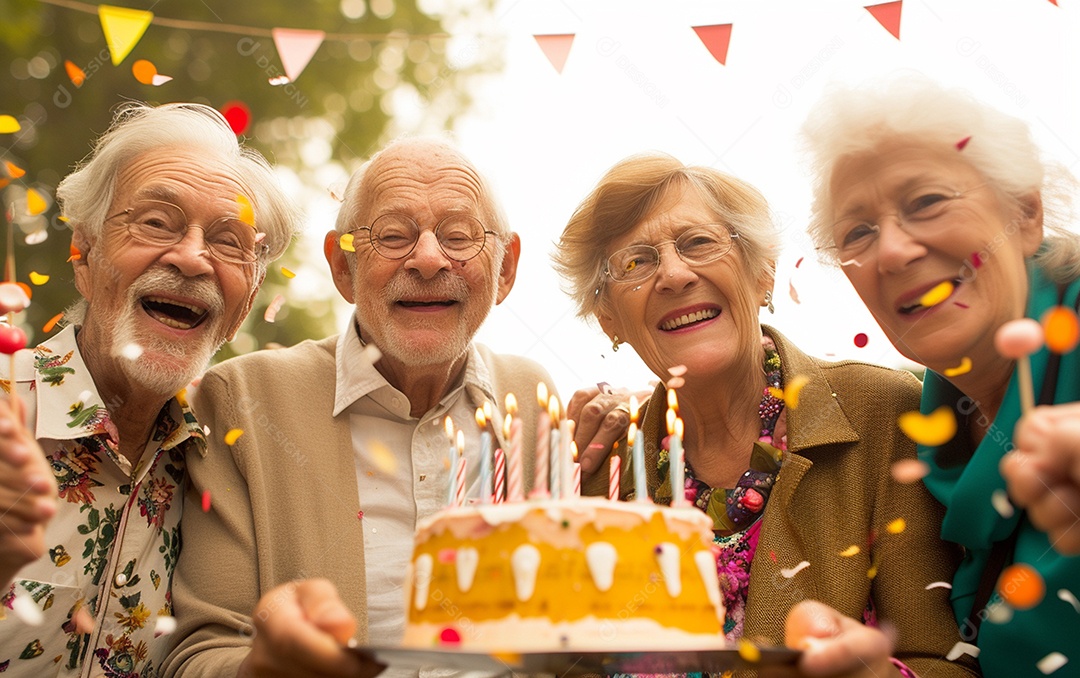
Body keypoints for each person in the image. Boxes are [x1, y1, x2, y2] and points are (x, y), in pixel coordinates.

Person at [554, 153, 977, 677]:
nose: (673, 274)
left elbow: (949, 662)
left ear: (762, 275)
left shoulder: (882, 412)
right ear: (609, 318)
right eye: (634, 263)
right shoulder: (600, 472)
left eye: (699, 243)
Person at [161, 137, 559, 678]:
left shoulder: (533, 400)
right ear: (342, 266)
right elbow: (196, 654)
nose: (427, 258)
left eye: (459, 236)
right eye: (392, 236)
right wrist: (266, 667)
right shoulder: (242, 402)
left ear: (505, 268)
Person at [0, 102, 300, 677]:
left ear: (246, 303)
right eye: (157, 222)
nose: (191, 258)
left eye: (229, 240)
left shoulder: (223, 467)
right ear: (84, 256)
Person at [801, 76, 1080, 675]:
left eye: (927, 201)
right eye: (858, 232)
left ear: (1024, 213)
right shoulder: (932, 436)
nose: (893, 252)